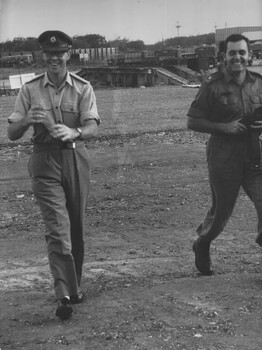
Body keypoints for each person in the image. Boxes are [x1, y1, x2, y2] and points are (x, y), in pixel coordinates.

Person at [7, 30, 100, 320]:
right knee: (57, 229)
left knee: (75, 228)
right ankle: (64, 293)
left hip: (75, 157)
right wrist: (26, 121)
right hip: (44, 160)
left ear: (68, 54)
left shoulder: (83, 88)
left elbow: (92, 125)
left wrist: (75, 131)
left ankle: (75, 284)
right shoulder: (30, 89)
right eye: (48, 54)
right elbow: (11, 133)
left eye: (59, 53)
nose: (54, 58)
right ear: (42, 56)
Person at [187, 34, 262, 276]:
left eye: (242, 52)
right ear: (224, 56)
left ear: (249, 54)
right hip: (224, 156)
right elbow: (193, 121)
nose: (237, 57)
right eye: (232, 53)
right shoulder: (213, 85)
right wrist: (224, 127)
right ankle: (203, 243)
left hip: (255, 154)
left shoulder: (259, 82)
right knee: (221, 212)